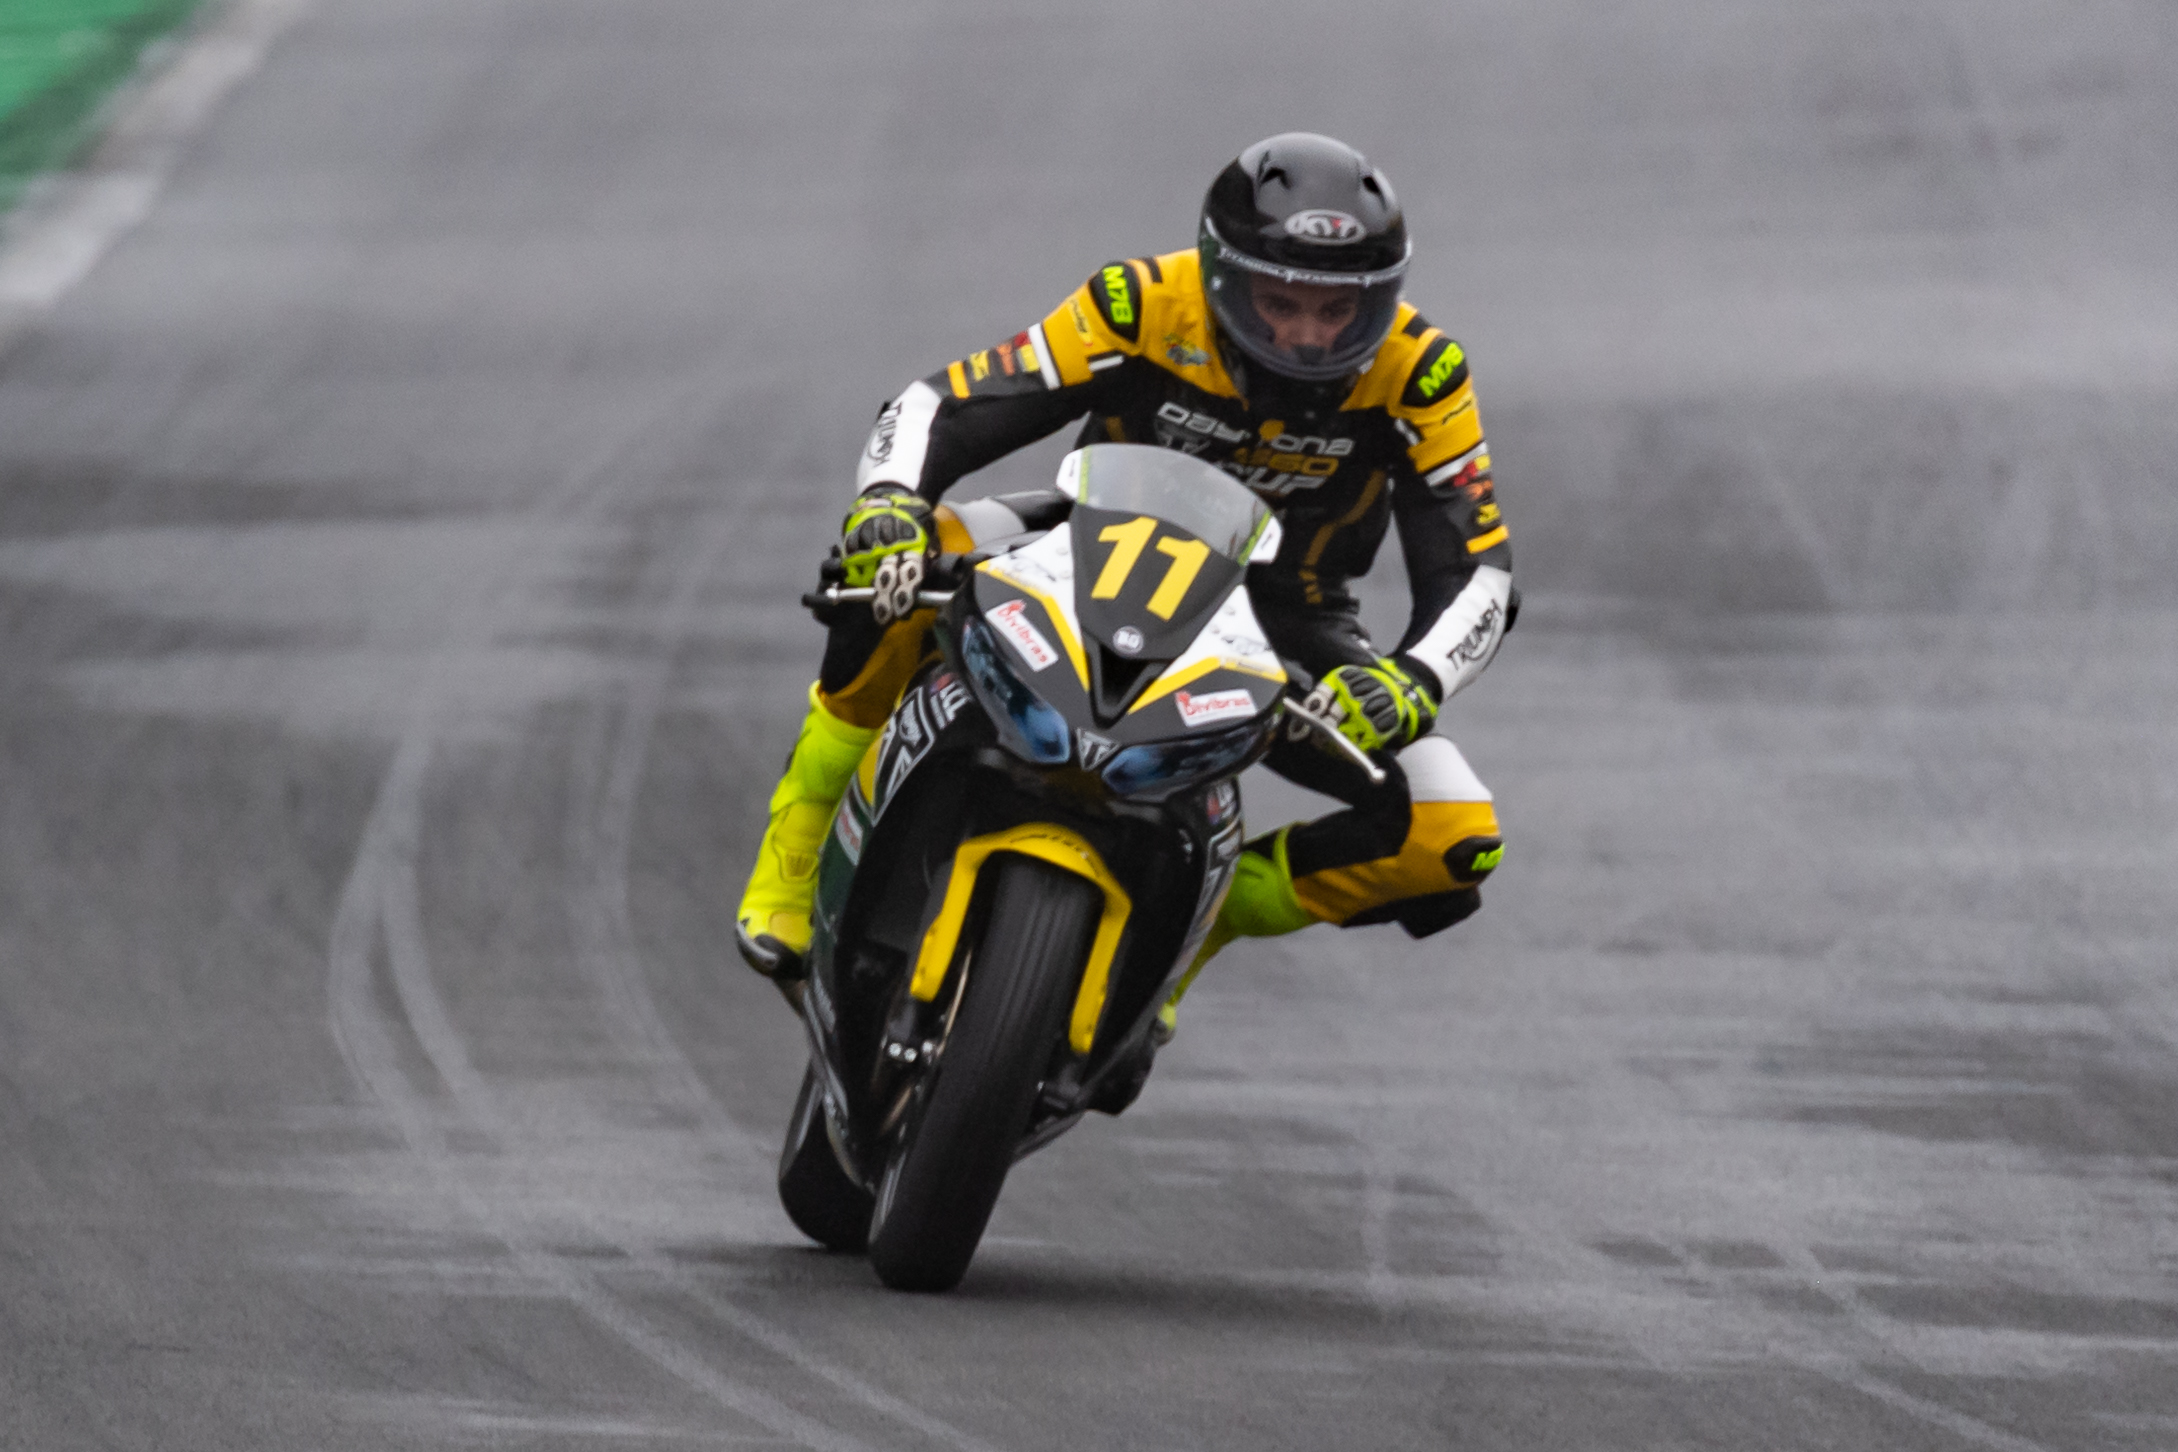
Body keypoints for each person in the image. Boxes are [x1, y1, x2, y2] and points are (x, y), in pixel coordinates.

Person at [736, 133, 1513, 1030]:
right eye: (1279, 303)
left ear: (1382, 297)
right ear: (1221, 278)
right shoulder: (1139, 301)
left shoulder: (1423, 372)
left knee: (1452, 832)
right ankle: (797, 843)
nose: (1308, 334)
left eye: (1339, 310)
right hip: (1080, 544)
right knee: (905, 558)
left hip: (1283, 611)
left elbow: (1479, 569)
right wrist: (887, 505)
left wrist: (1413, 680)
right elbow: (941, 404)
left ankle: (1190, 939)